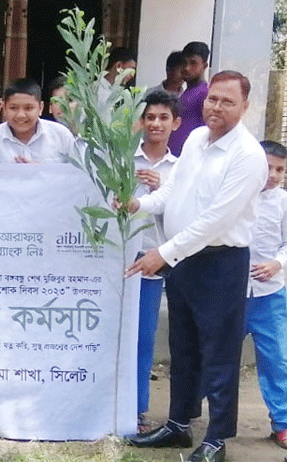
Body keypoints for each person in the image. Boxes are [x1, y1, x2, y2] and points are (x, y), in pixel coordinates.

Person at [124, 71, 268, 462]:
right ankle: (178, 425)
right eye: (212, 100)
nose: (216, 108)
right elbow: (173, 189)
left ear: (245, 107)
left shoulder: (248, 156)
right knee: (183, 346)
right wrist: (141, 204)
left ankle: (217, 439)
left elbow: (216, 220)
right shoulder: (195, 138)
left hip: (220, 262)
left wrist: (164, 253)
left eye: (227, 102)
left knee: (218, 353)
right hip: (183, 259)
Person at [131, 90, 181, 433]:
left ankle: (136, 409)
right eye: (150, 117)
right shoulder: (121, 159)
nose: (156, 124)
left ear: (175, 123)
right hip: (117, 259)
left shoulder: (181, 169)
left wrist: (160, 191)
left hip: (154, 262)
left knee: (144, 337)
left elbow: (182, 218)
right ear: (140, 121)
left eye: (163, 118)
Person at [243, 140, 287, 449]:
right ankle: (194, 416)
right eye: (268, 167)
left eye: (280, 169)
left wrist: (277, 263)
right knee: (214, 359)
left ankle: (282, 423)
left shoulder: (284, 203)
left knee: (278, 359)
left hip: (270, 296)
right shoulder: (237, 196)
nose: (273, 175)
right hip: (230, 294)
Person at [0, 78, 74, 164]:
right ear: (4, 108)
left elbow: (77, 177)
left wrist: (42, 172)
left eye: (28, 108)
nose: (21, 115)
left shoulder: (61, 136)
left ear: (40, 108)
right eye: (13, 108)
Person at [168, 42, 209, 157]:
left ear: (204, 66)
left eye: (193, 63)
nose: (186, 68)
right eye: (184, 63)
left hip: (191, 158)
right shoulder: (187, 92)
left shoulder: (205, 94)